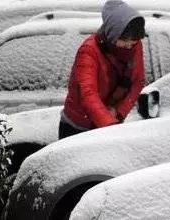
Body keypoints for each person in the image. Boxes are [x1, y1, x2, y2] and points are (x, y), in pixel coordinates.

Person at [59, 0, 145, 139]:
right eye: (125, 40)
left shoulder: (135, 46)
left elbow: (137, 81)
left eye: (133, 41)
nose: (129, 45)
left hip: (108, 123)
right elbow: (88, 94)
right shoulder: (89, 51)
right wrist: (110, 127)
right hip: (79, 127)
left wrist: (118, 112)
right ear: (113, 33)